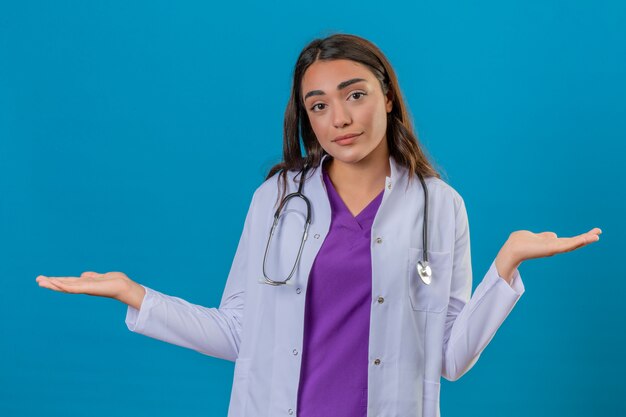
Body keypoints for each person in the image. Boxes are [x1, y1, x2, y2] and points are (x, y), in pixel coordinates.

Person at [36, 33, 602, 417]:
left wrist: (506, 267)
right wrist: (135, 295)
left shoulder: (439, 205)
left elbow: (450, 359)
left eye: (354, 95)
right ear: (306, 117)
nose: (340, 119)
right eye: (319, 105)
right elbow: (240, 334)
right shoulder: (277, 200)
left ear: (387, 96)